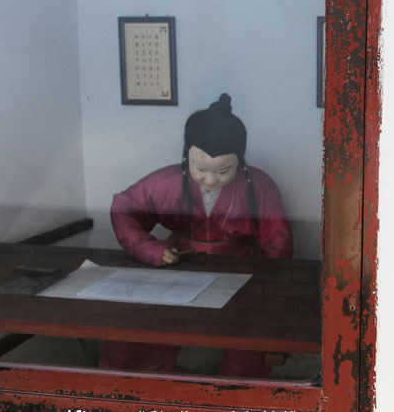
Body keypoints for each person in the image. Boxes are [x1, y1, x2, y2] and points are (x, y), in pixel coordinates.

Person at [99, 93, 293, 377]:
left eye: (224, 171)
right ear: (186, 156)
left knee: (250, 339)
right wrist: (151, 250)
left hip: (240, 272)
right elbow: (124, 210)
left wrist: (265, 288)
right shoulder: (168, 182)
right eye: (200, 169)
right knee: (137, 328)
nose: (211, 180)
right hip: (177, 266)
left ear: (240, 163)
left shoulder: (258, 186)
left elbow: (278, 243)